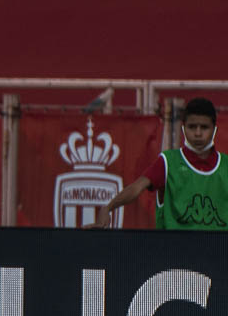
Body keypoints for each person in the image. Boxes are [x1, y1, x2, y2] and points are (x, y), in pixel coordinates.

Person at [88, 97, 226, 230]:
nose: (198, 133)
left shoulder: (225, 165)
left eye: (204, 127)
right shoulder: (168, 162)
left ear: (214, 129)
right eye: (192, 127)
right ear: (183, 127)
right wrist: (108, 208)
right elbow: (136, 188)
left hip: (218, 246)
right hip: (173, 245)